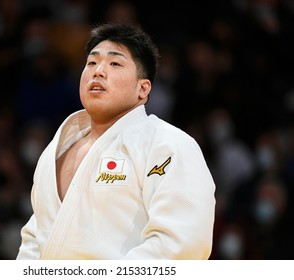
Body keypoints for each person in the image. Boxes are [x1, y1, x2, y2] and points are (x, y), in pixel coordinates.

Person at [16, 22, 216, 260]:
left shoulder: (167, 144)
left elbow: (181, 243)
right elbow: (35, 238)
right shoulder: (57, 149)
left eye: (114, 63)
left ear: (142, 89)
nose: (98, 71)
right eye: (92, 62)